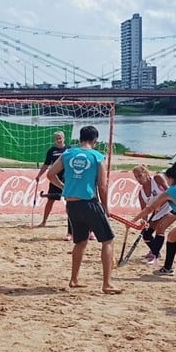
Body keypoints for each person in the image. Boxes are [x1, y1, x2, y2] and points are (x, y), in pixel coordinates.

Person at [47, 125, 121, 294]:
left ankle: (74, 279)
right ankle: (107, 283)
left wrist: (64, 187)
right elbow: (102, 186)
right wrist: (106, 207)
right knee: (107, 241)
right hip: (89, 203)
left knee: (80, 242)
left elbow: (50, 174)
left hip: (71, 204)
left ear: (80, 138)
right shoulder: (97, 156)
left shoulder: (68, 153)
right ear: (95, 140)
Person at [132, 165, 176, 264]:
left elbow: (169, 192)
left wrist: (160, 203)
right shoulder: (141, 193)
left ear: (145, 173)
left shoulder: (157, 179)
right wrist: (144, 221)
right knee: (146, 234)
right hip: (157, 211)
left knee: (160, 228)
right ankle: (155, 250)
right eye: (136, 177)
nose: (138, 179)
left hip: (170, 207)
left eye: (140, 176)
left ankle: (154, 255)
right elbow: (144, 210)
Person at [35, 131, 71, 238]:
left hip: (67, 179)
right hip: (54, 179)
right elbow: (46, 165)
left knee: (70, 202)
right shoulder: (51, 151)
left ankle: (71, 224)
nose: (59, 140)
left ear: (64, 138)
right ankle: (44, 221)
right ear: (54, 139)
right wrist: (39, 175)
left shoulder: (69, 149)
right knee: (50, 200)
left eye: (60, 138)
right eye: (57, 138)